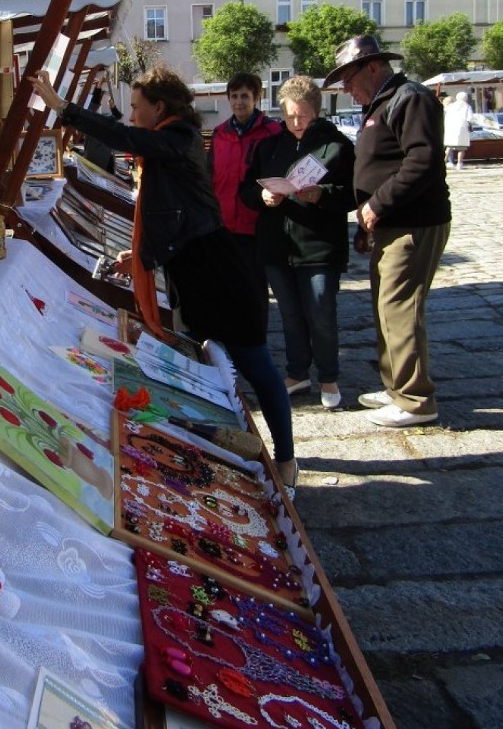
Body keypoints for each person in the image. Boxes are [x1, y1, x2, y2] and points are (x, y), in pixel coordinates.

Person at [28, 65, 297, 492]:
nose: (132, 115)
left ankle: (286, 460)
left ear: (159, 107)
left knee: (255, 366)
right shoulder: (168, 143)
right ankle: (228, 456)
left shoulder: (178, 137)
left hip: (220, 274)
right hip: (193, 274)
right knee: (209, 373)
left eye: (136, 107)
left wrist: (65, 109)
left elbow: (132, 140)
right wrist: (136, 254)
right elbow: (169, 213)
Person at [323, 35, 451, 427]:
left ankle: (415, 399)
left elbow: (422, 162)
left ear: (373, 67)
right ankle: (396, 386)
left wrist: (378, 204)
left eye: (348, 78)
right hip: (391, 224)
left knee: (401, 309)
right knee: (386, 307)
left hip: (413, 222)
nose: (346, 87)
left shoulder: (409, 98)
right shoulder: (383, 102)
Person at [240, 75, 355, 411]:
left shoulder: (337, 147)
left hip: (319, 246)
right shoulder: (269, 146)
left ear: (316, 112)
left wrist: (323, 194)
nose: (296, 122)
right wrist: (262, 196)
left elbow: (353, 194)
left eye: (302, 116)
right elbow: (246, 190)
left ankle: (329, 376)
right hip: (278, 246)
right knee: (290, 315)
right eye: (290, 116)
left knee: (321, 312)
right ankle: (297, 372)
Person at [207, 72, 281, 327]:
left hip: (256, 226)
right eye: (235, 96)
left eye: (245, 96)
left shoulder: (272, 132)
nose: (239, 102)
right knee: (226, 288)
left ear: (256, 98)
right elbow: (210, 177)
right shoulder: (219, 133)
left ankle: (256, 339)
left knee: (255, 290)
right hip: (224, 225)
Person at [81, 69, 123, 174]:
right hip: (95, 165)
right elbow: (117, 116)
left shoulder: (93, 125)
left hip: (101, 164)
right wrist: (99, 84)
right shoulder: (92, 125)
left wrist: (100, 84)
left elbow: (117, 116)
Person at [443, 91, 473, 169]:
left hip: (451, 127)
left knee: (449, 146)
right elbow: (470, 118)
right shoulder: (467, 106)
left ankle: (444, 162)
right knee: (461, 147)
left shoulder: (451, 106)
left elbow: (446, 113)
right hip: (462, 128)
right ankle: (459, 163)